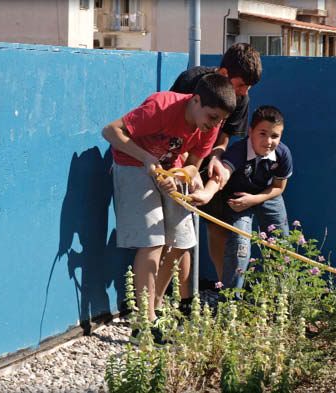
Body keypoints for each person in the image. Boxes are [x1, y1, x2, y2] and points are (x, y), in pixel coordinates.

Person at [101, 74, 236, 322]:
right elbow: (110, 131)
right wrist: (145, 158)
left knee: (183, 239)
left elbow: (195, 164)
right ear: (195, 100)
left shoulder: (210, 127)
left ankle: (157, 302)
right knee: (153, 241)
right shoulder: (161, 107)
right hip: (132, 164)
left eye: (221, 120)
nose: (215, 124)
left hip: (168, 167)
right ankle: (146, 321)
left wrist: (185, 175)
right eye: (212, 117)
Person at [170, 42, 262, 288]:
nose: (243, 92)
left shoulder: (241, 98)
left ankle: (226, 294)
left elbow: (225, 137)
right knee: (179, 230)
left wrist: (216, 157)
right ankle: (178, 294)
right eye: (241, 85)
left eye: (248, 88)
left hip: (208, 154)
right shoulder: (190, 81)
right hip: (179, 155)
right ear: (223, 75)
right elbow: (174, 123)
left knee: (216, 224)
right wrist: (184, 167)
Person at [189, 105, 292, 290]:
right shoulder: (237, 151)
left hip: (267, 195)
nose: (268, 141)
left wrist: (254, 199)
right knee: (240, 245)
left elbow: (278, 187)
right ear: (251, 131)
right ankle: (231, 300)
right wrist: (206, 194)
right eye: (262, 133)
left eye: (275, 136)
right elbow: (221, 175)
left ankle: (280, 296)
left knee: (281, 242)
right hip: (239, 200)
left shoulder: (282, 154)